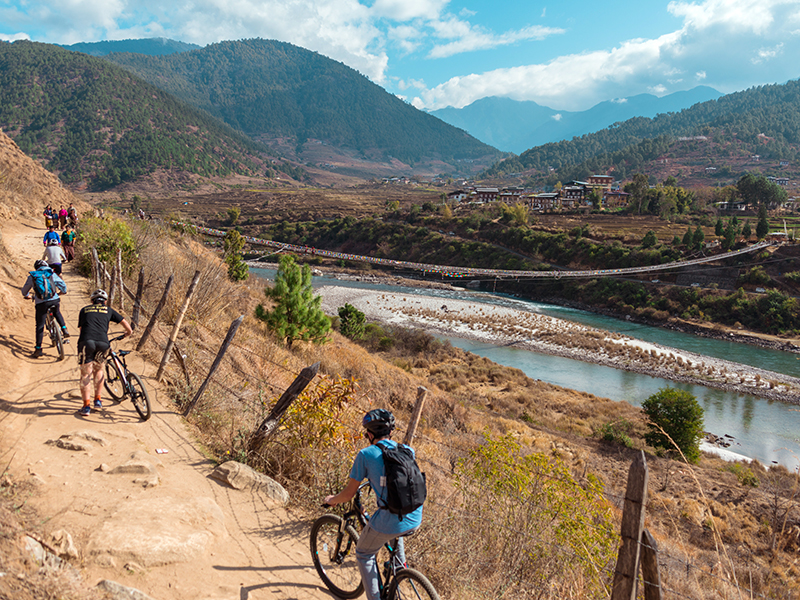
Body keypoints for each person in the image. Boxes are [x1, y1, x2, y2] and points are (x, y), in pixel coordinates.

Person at [324, 409, 423, 600]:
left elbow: (349, 494)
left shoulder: (366, 454)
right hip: (415, 514)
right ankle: (399, 573)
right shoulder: (407, 450)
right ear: (391, 432)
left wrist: (332, 500)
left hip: (391, 519)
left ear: (369, 434)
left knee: (364, 553)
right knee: (395, 528)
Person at [77, 289, 132, 416]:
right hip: (103, 342)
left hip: (86, 341)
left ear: (92, 301)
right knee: (99, 370)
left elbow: (81, 329)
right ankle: (98, 400)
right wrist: (128, 333)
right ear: (105, 301)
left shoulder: (84, 310)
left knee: (86, 374)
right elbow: (126, 324)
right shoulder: (109, 310)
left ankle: (86, 407)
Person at [22, 259, 69, 359]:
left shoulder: (32, 276)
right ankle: (64, 329)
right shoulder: (51, 273)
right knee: (57, 312)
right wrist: (62, 292)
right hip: (54, 300)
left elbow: (24, 291)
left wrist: (27, 295)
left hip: (41, 303)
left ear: (36, 268)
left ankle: (38, 349)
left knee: (40, 325)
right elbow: (63, 285)